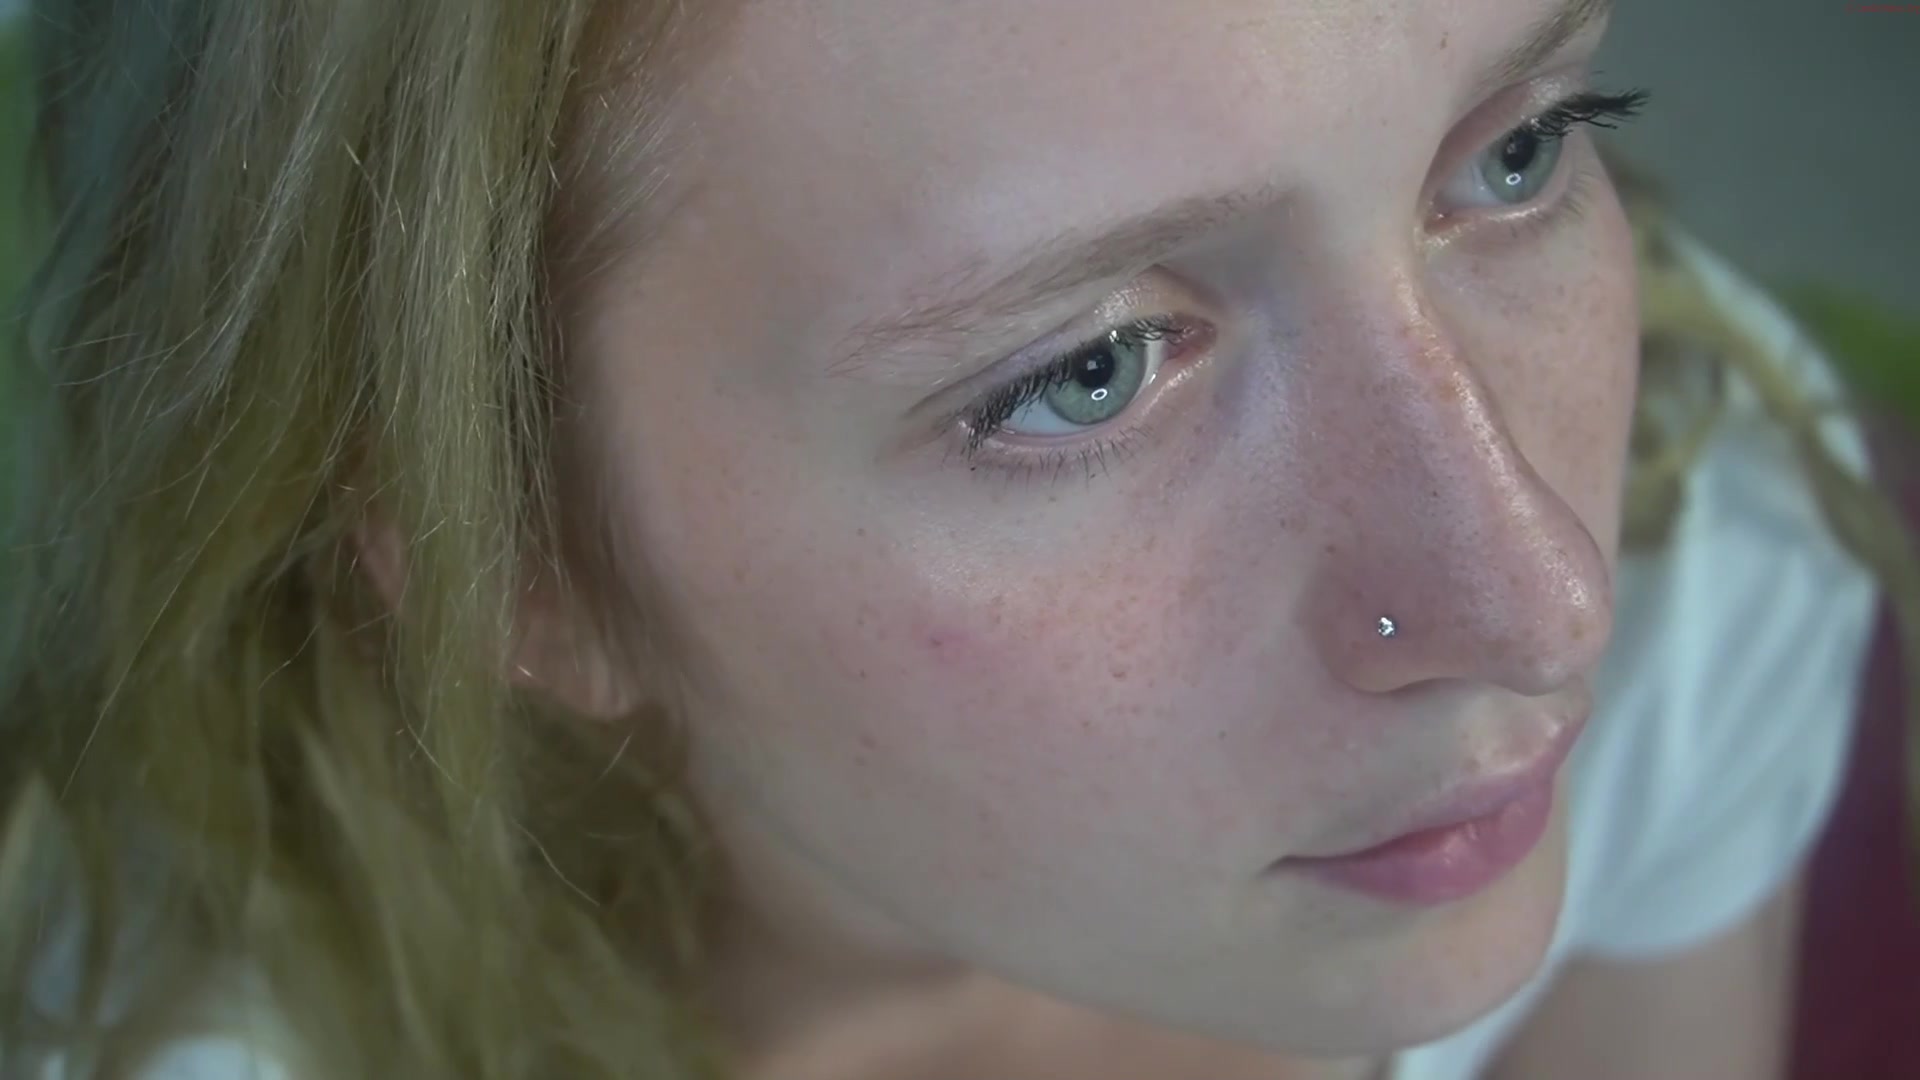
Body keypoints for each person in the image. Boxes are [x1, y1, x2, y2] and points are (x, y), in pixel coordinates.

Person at [0, 1, 1898, 1077]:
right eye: (1086, 371)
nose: (1543, 600)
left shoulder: (1702, 557)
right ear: (522, 563)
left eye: (1515, 153)